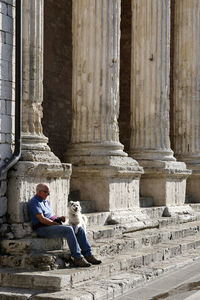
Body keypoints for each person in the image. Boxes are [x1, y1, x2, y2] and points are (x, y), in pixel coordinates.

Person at [28, 183, 102, 267]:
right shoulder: (34, 202)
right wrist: (56, 224)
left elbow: (50, 216)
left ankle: (88, 255)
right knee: (69, 229)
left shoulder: (45, 201)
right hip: (43, 228)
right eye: (46, 192)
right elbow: (42, 219)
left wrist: (59, 219)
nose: (48, 195)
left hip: (52, 226)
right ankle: (77, 257)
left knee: (79, 229)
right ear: (39, 192)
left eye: (49, 193)